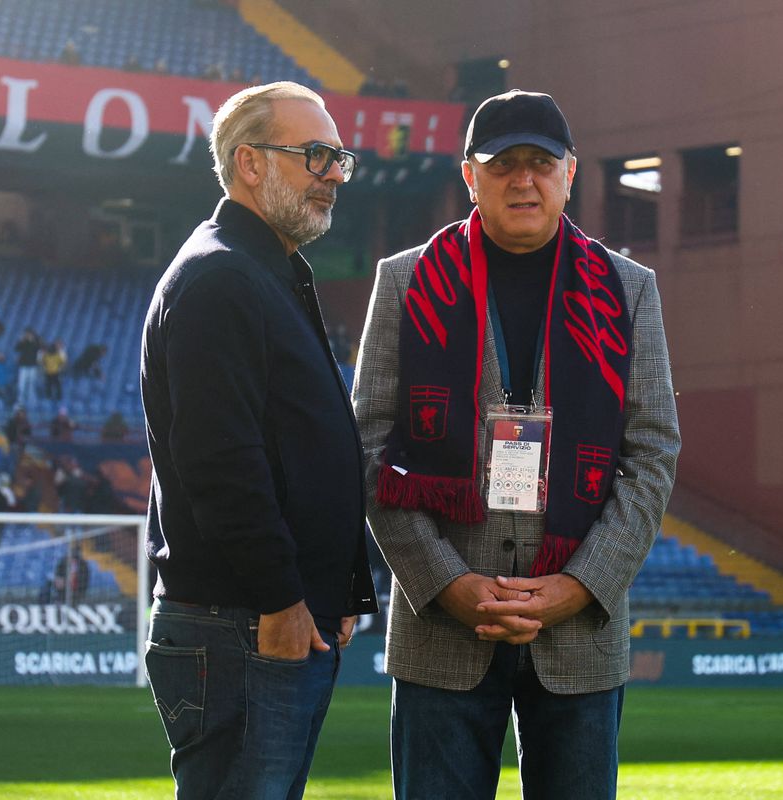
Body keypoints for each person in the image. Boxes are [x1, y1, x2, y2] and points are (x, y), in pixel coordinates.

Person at [352, 90, 681, 800]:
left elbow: (652, 454)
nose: (522, 180)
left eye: (540, 163)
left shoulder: (629, 290)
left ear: (572, 173)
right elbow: (371, 449)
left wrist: (580, 586)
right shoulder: (406, 281)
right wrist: (445, 583)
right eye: (503, 164)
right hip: (442, 628)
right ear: (469, 176)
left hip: (579, 635)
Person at [139, 81, 377, 800]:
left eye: (338, 157)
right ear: (249, 163)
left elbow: (295, 449)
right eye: (314, 156)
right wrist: (280, 599)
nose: (334, 174)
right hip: (242, 625)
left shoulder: (260, 272)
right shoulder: (221, 278)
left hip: (261, 620)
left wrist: (330, 582)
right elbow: (221, 463)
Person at [14, 328, 41, 409]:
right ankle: (20, 402)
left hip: (32, 367)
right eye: (27, 334)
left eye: (29, 334)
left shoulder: (36, 342)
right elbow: (16, 348)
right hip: (23, 366)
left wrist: (33, 340)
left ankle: (31, 403)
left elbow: (40, 348)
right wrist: (21, 340)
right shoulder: (24, 342)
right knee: (21, 385)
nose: (28, 336)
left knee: (31, 385)